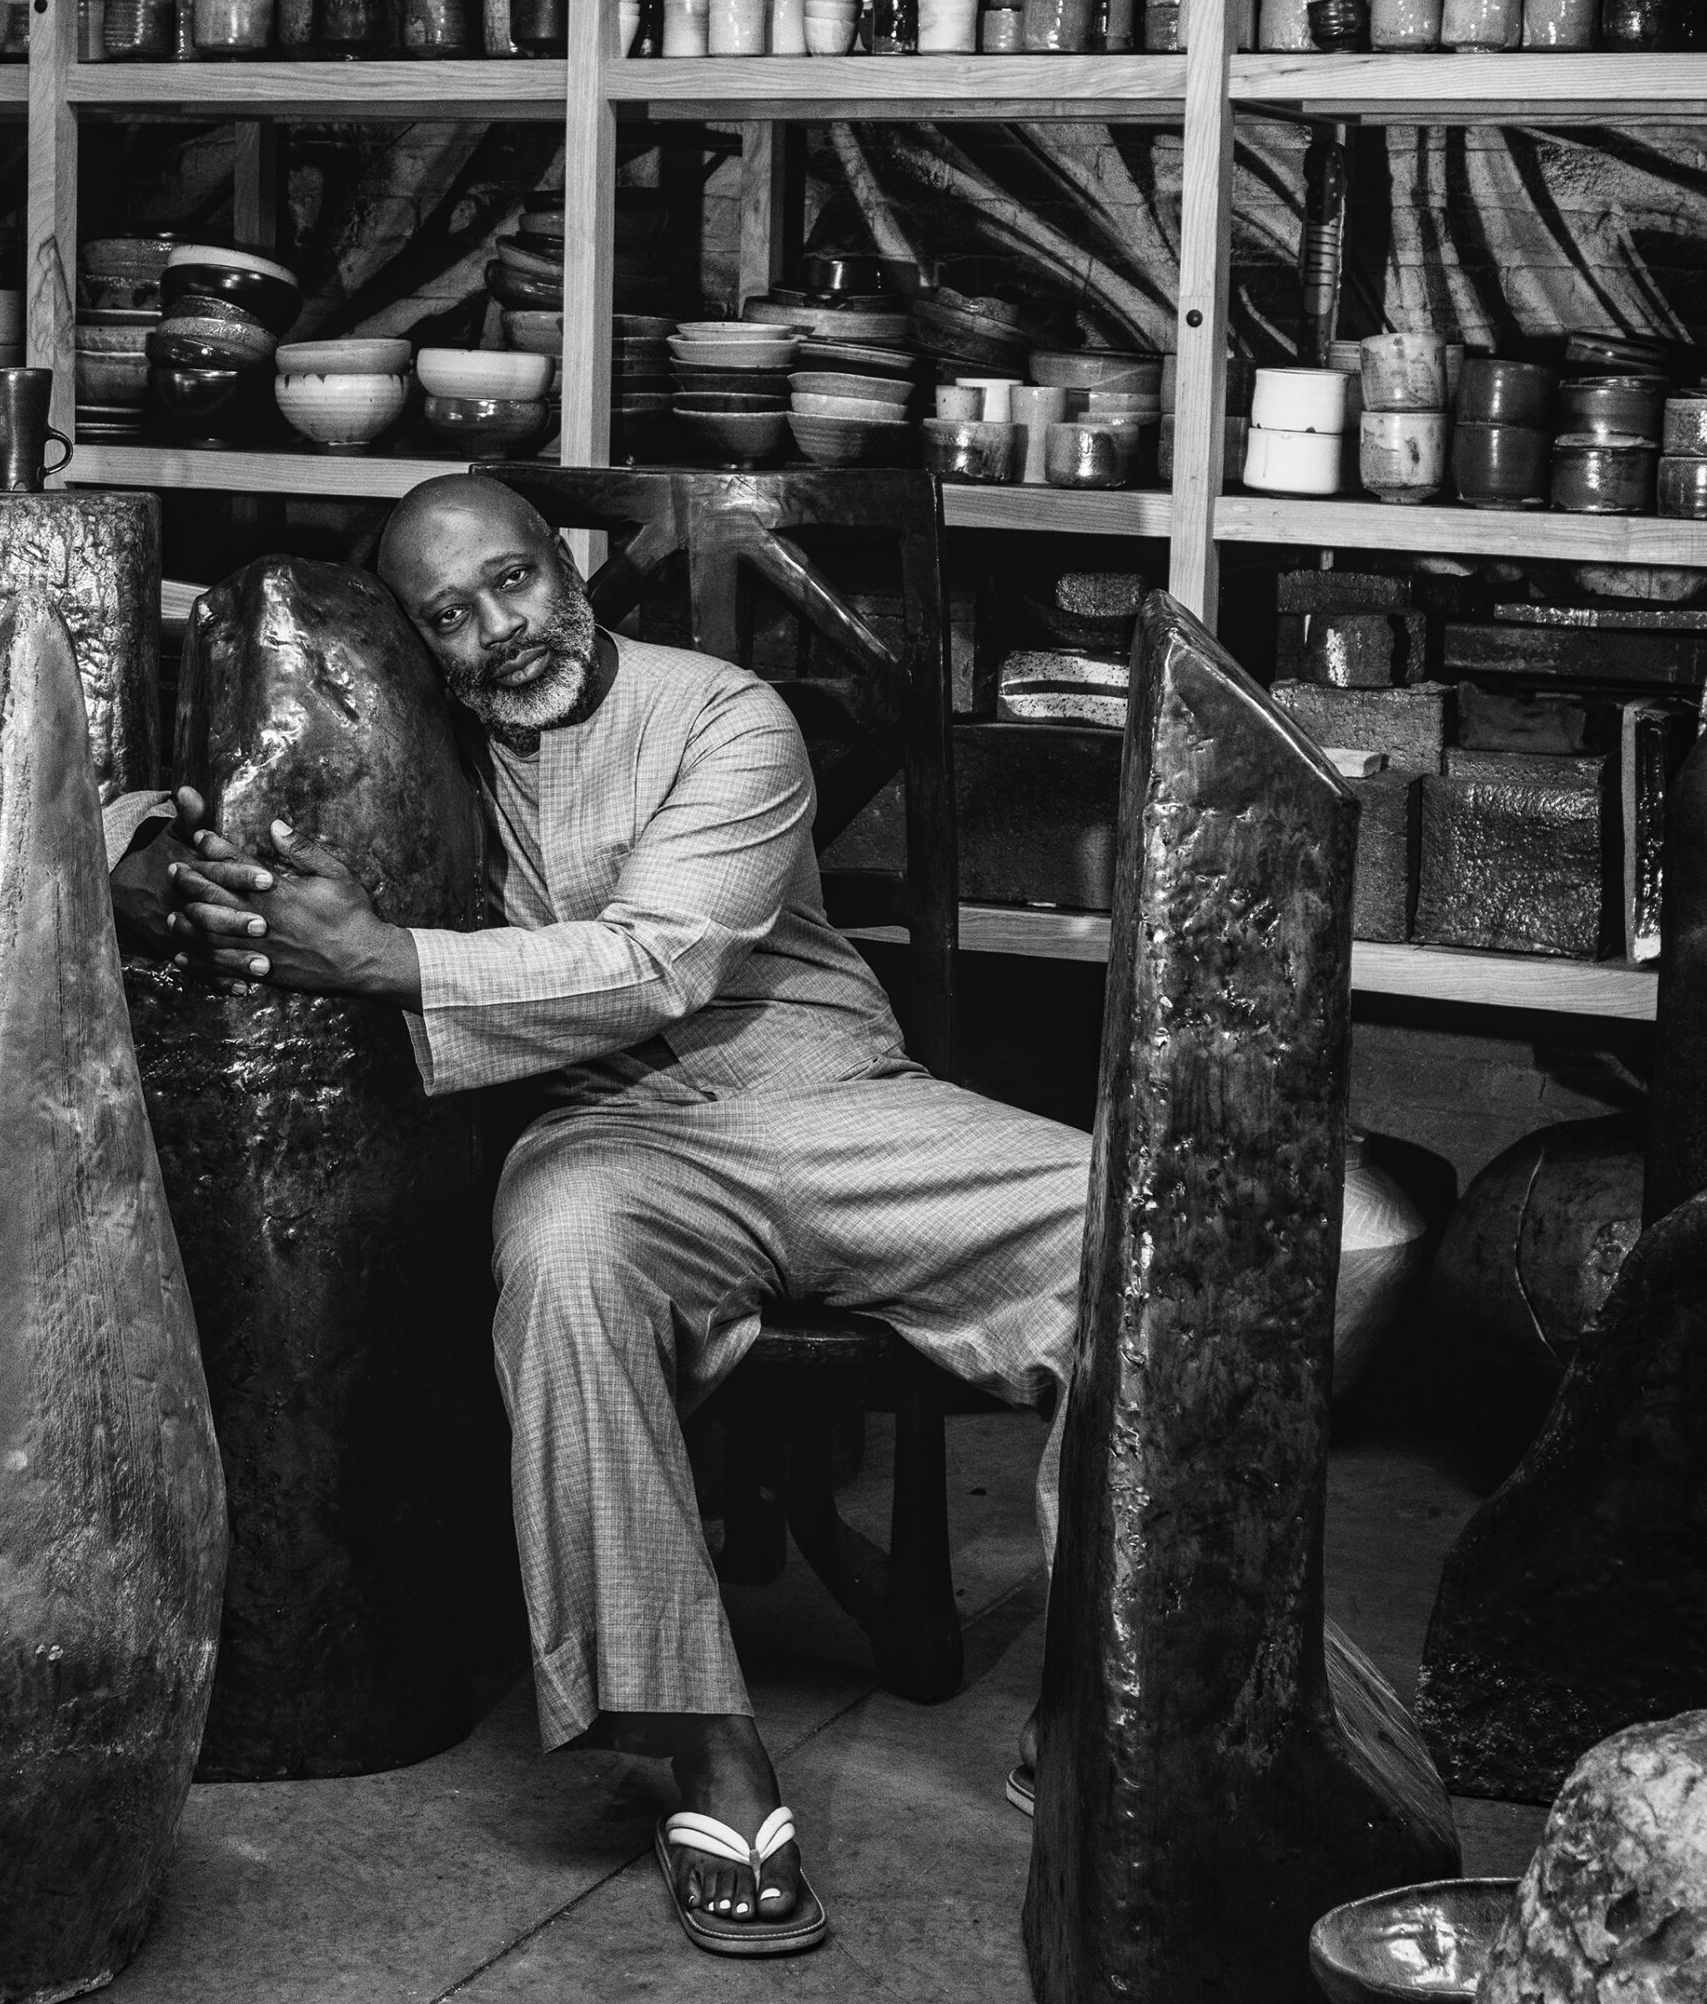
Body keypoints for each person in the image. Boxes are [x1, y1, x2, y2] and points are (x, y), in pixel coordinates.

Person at [110, 472, 1092, 1959]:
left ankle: (1100, 1708)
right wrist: (147, 852)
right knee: (562, 1259)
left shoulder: (722, 714)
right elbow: (204, 778)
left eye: (512, 581)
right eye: (449, 616)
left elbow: (662, 961)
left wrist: (384, 960)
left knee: (1139, 1240)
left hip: (820, 1095)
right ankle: (711, 1757)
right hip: (610, 1134)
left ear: (561, 566)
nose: (497, 630)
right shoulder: (425, 735)